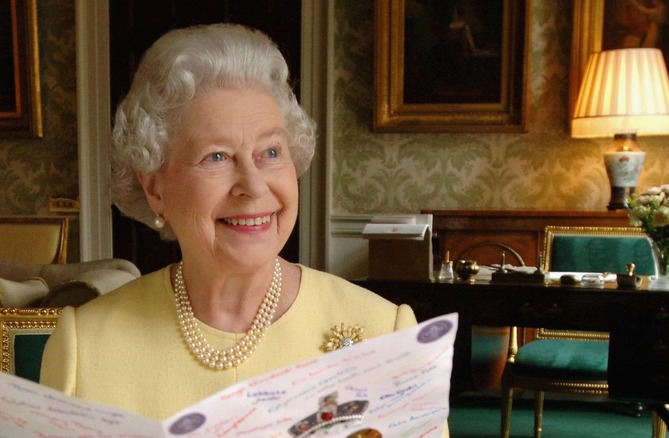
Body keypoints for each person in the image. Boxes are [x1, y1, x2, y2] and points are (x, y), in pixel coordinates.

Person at [40, 23, 446, 435]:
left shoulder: (385, 332)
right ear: (155, 188)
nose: (253, 186)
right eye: (216, 157)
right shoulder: (84, 349)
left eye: (270, 152)